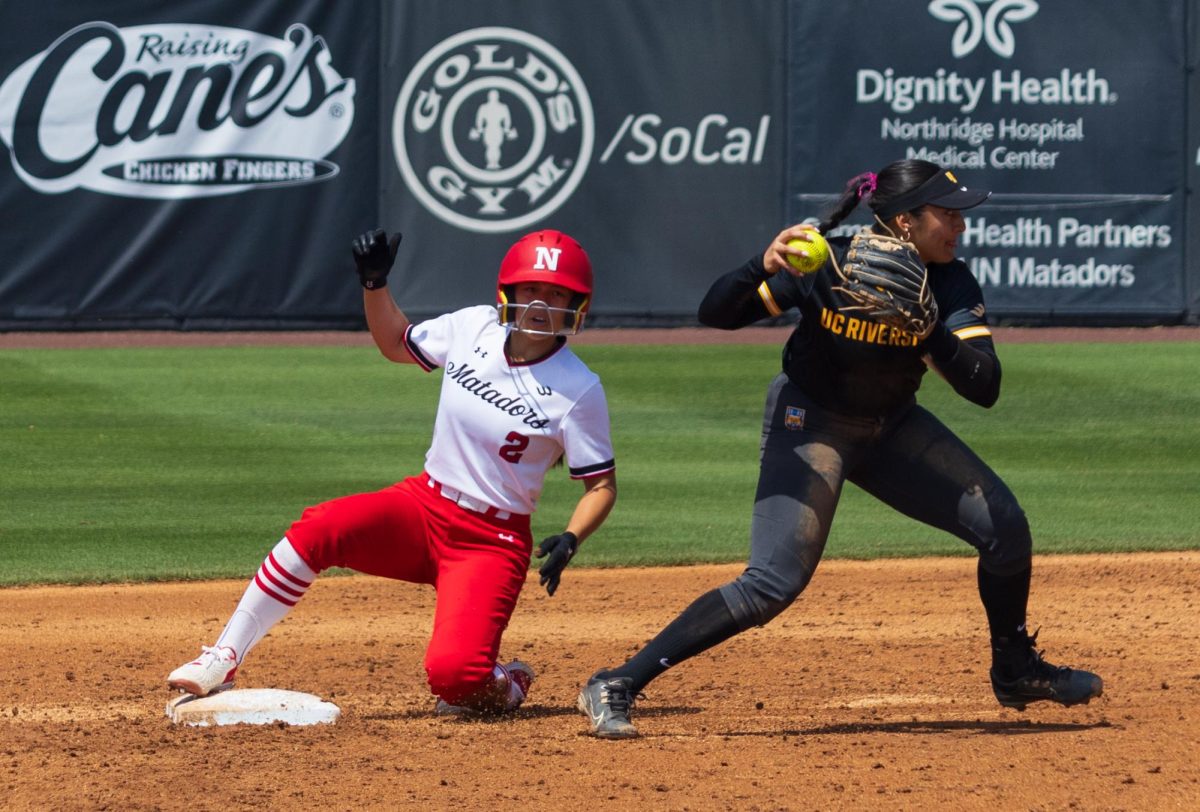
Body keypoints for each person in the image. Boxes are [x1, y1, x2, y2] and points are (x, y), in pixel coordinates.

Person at [577, 159, 1102, 739]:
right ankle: (617, 682)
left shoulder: (949, 281)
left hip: (892, 427)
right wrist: (763, 261)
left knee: (1004, 526)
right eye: (948, 214)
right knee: (771, 583)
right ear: (905, 220)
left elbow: (985, 387)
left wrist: (931, 333)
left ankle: (1015, 669)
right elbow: (716, 314)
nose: (960, 226)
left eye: (960, 214)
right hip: (811, 423)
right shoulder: (827, 261)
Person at [169, 228, 617, 716]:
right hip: (423, 505)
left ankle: (506, 682)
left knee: (456, 680)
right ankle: (223, 656)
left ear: (578, 304)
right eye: (531, 289)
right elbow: (394, 343)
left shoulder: (579, 388)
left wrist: (572, 536)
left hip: (491, 540)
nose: (540, 305)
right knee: (317, 529)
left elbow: (601, 485)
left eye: (556, 294)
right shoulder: (474, 328)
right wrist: (375, 283)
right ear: (508, 293)